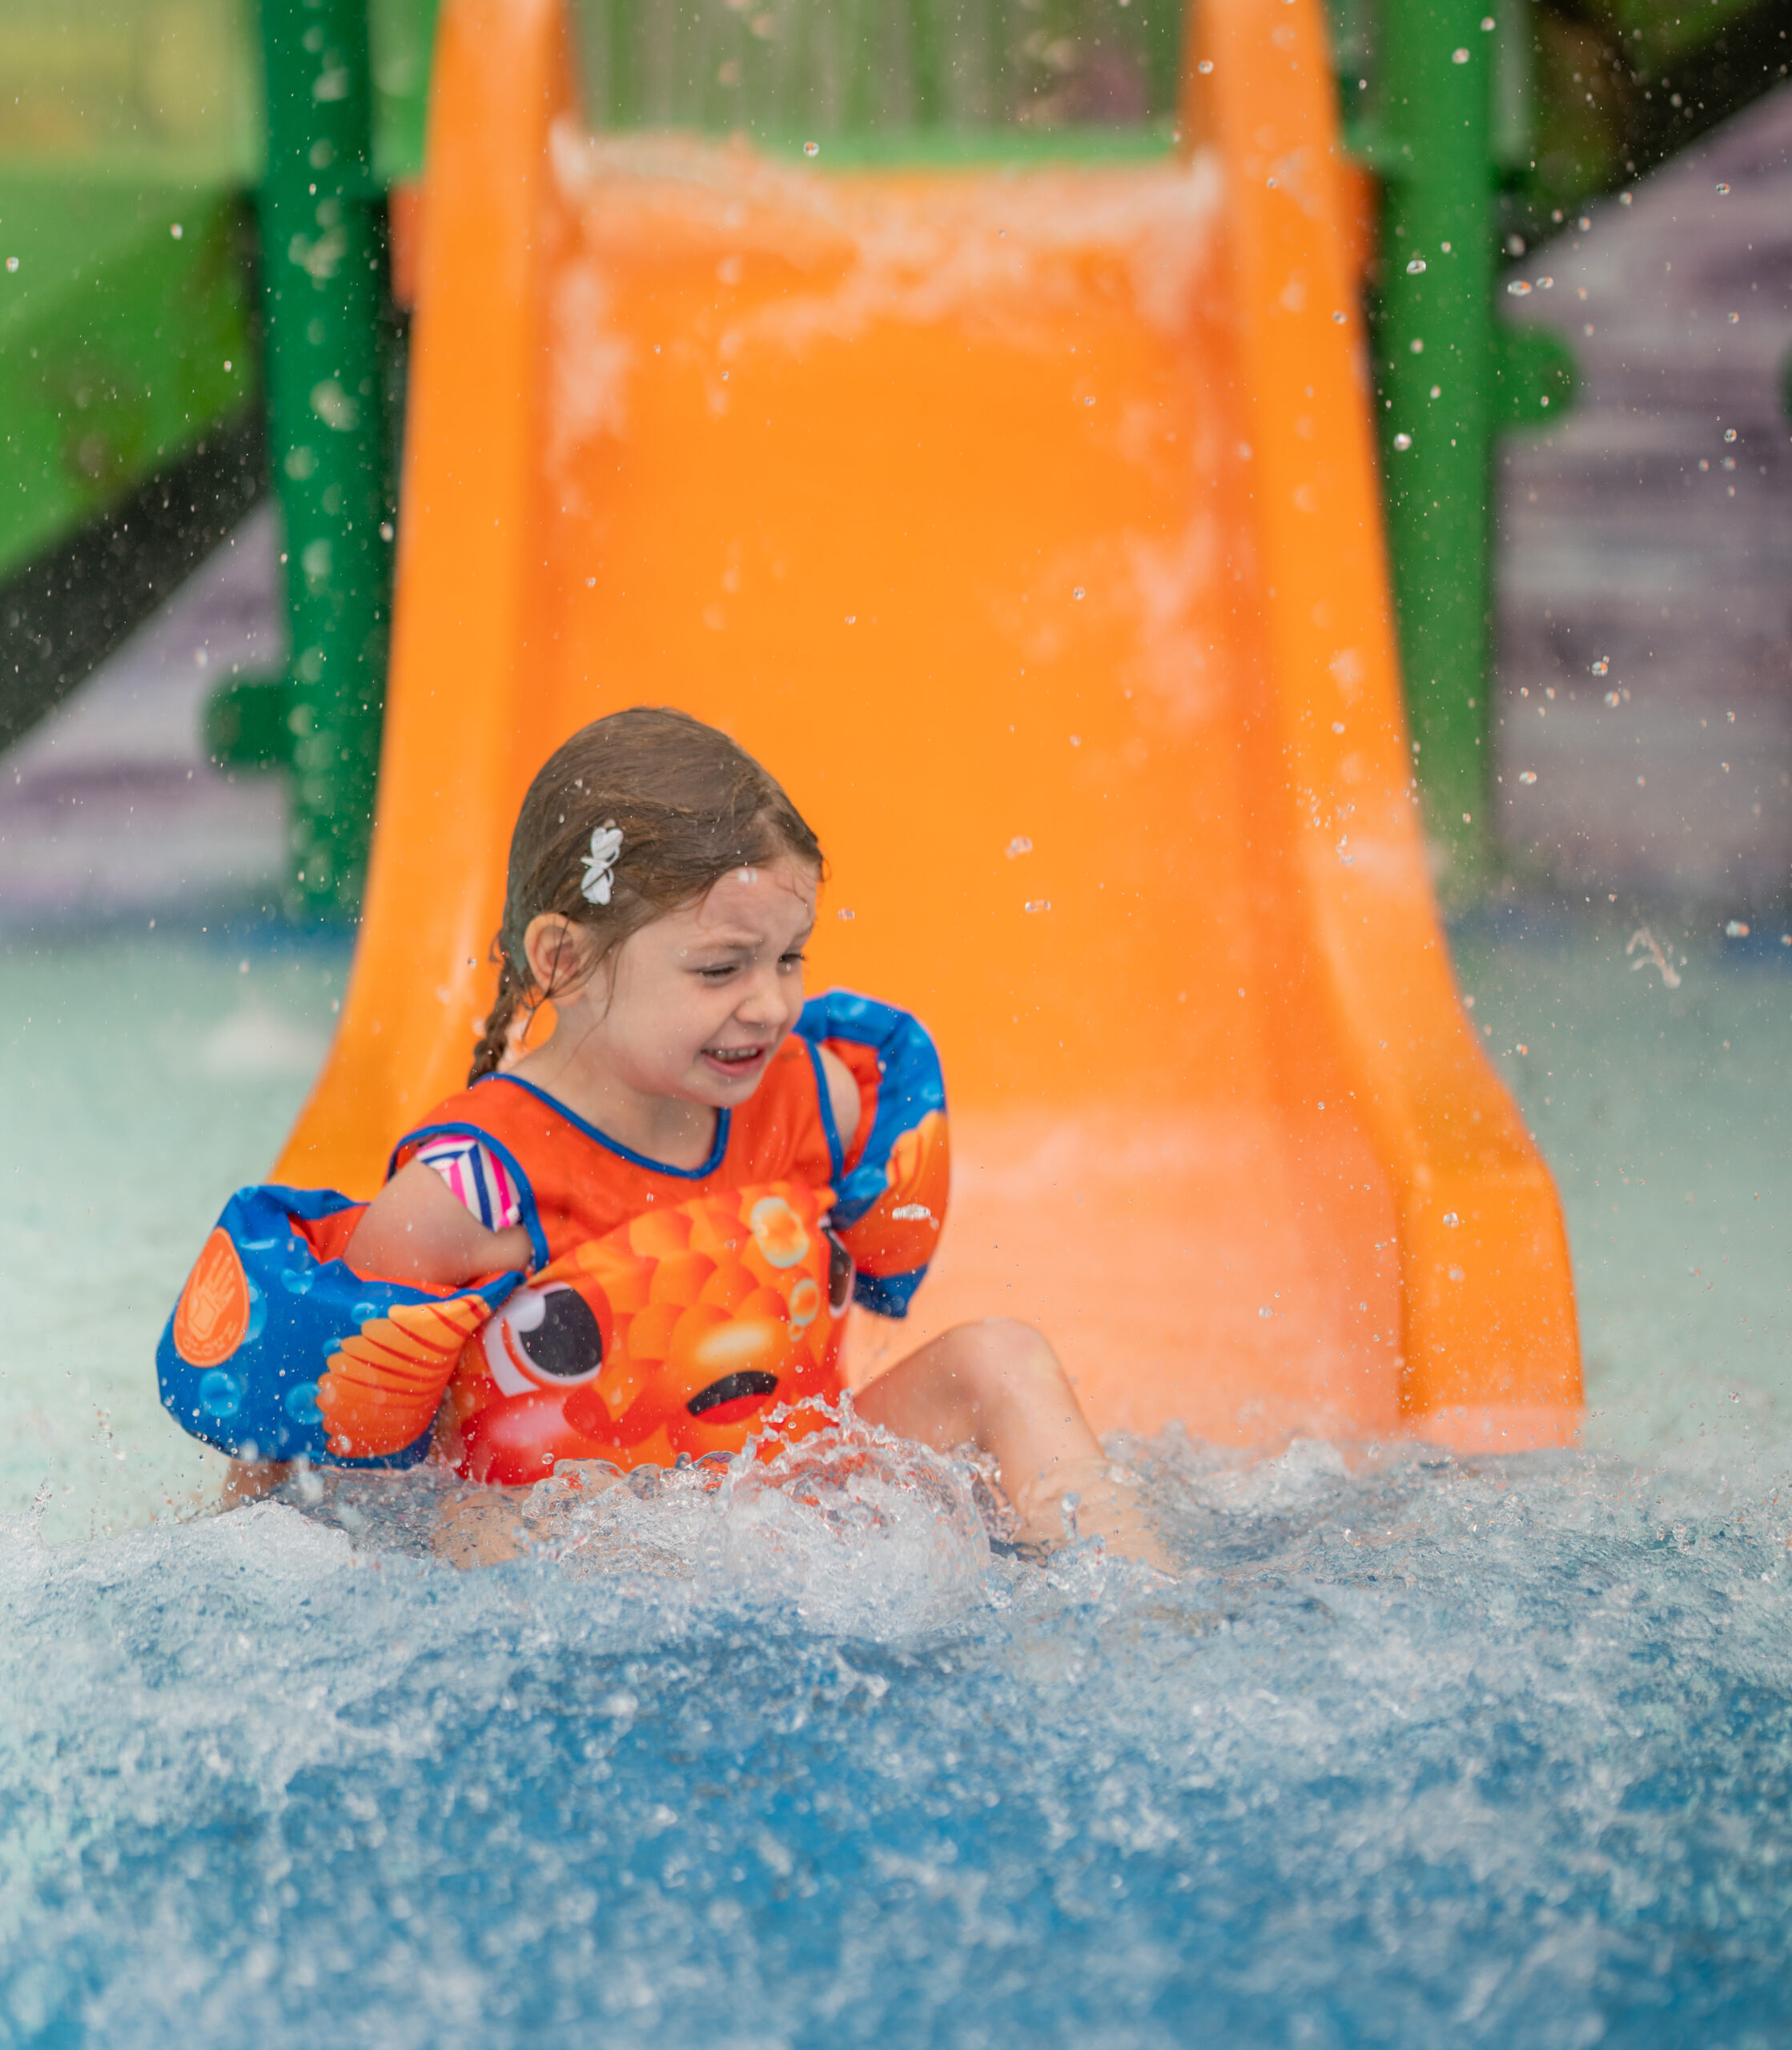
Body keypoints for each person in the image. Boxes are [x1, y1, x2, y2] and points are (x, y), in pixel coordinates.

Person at [194, 708, 1156, 1562]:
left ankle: (1139, 1609)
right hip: (575, 1560)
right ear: (564, 959)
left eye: (789, 958)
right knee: (482, 1527)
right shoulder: (469, 1195)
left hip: (792, 1505)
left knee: (1001, 1353)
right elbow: (311, 1447)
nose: (772, 1003)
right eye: (720, 969)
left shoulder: (820, 1100)